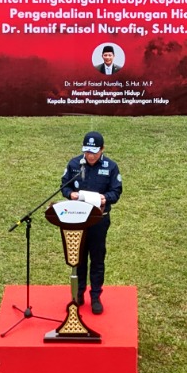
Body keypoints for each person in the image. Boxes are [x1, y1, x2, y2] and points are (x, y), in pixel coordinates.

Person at [60, 131, 121, 314]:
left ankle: (95, 296)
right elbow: (64, 185)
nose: (90, 156)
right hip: (78, 219)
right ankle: (78, 294)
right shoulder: (74, 164)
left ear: (102, 149)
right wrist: (70, 194)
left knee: (97, 258)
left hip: (99, 220)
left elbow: (116, 192)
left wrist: (105, 198)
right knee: (78, 258)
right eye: (87, 151)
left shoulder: (111, 167)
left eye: (94, 152)